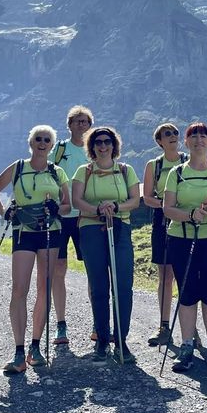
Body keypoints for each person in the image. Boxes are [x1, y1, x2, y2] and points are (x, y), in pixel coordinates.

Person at [0, 125, 70, 374]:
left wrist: (56, 209)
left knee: (44, 289)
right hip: (23, 233)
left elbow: (68, 205)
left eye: (47, 140)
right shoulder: (18, 167)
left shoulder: (57, 172)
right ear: (30, 143)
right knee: (19, 289)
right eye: (38, 139)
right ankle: (19, 351)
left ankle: (35, 347)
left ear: (52, 145)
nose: (42, 143)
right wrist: (5, 212)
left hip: (50, 233)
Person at [163, 122, 207, 373]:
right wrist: (191, 214)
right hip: (182, 238)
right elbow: (167, 209)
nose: (198, 140)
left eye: (203, 136)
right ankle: (186, 345)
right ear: (186, 142)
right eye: (193, 136)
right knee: (187, 292)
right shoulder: (177, 173)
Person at [72, 126, 140, 364]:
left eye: (107, 141)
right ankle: (102, 339)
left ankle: (121, 340)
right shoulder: (84, 171)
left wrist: (116, 207)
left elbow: (135, 200)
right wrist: (98, 209)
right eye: (98, 142)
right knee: (99, 286)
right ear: (92, 146)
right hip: (91, 228)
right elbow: (76, 200)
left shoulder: (125, 170)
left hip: (120, 228)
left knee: (123, 286)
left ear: (114, 145)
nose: (103, 146)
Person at [49, 105, 94, 345]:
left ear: (90, 125)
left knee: (93, 270)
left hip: (86, 217)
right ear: (69, 125)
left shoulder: (95, 150)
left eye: (85, 121)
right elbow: (47, 173)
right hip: (61, 216)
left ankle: (98, 322)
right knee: (58, 269)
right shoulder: (60, 149)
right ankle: (61, 324)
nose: (81, 125)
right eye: (76, 121)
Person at [142, 123, 185, 347]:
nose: (172, 137)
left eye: (175, 133)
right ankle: (164, 325)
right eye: (167, 134)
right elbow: (147, 196)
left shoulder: (187, 161)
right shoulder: (154, 165)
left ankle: (190, 329)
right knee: (166, 275)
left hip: (186, 219)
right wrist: (166, 205)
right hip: (162, 220)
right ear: (159, 141)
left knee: (185, 274)